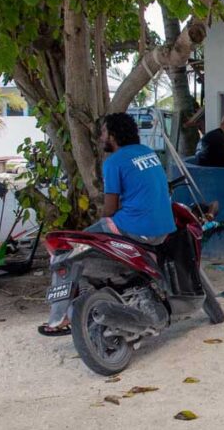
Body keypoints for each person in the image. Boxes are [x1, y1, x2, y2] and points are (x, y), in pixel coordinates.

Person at [39, 112, 176, 336]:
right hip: (163, 229)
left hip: (133, 228)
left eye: (102, 132)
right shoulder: (148, 153)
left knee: (64, 251)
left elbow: (110, 209)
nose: (100, 137)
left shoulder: (114, 162)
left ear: (112, 135)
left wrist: (101, 220)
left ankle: (60, 317)